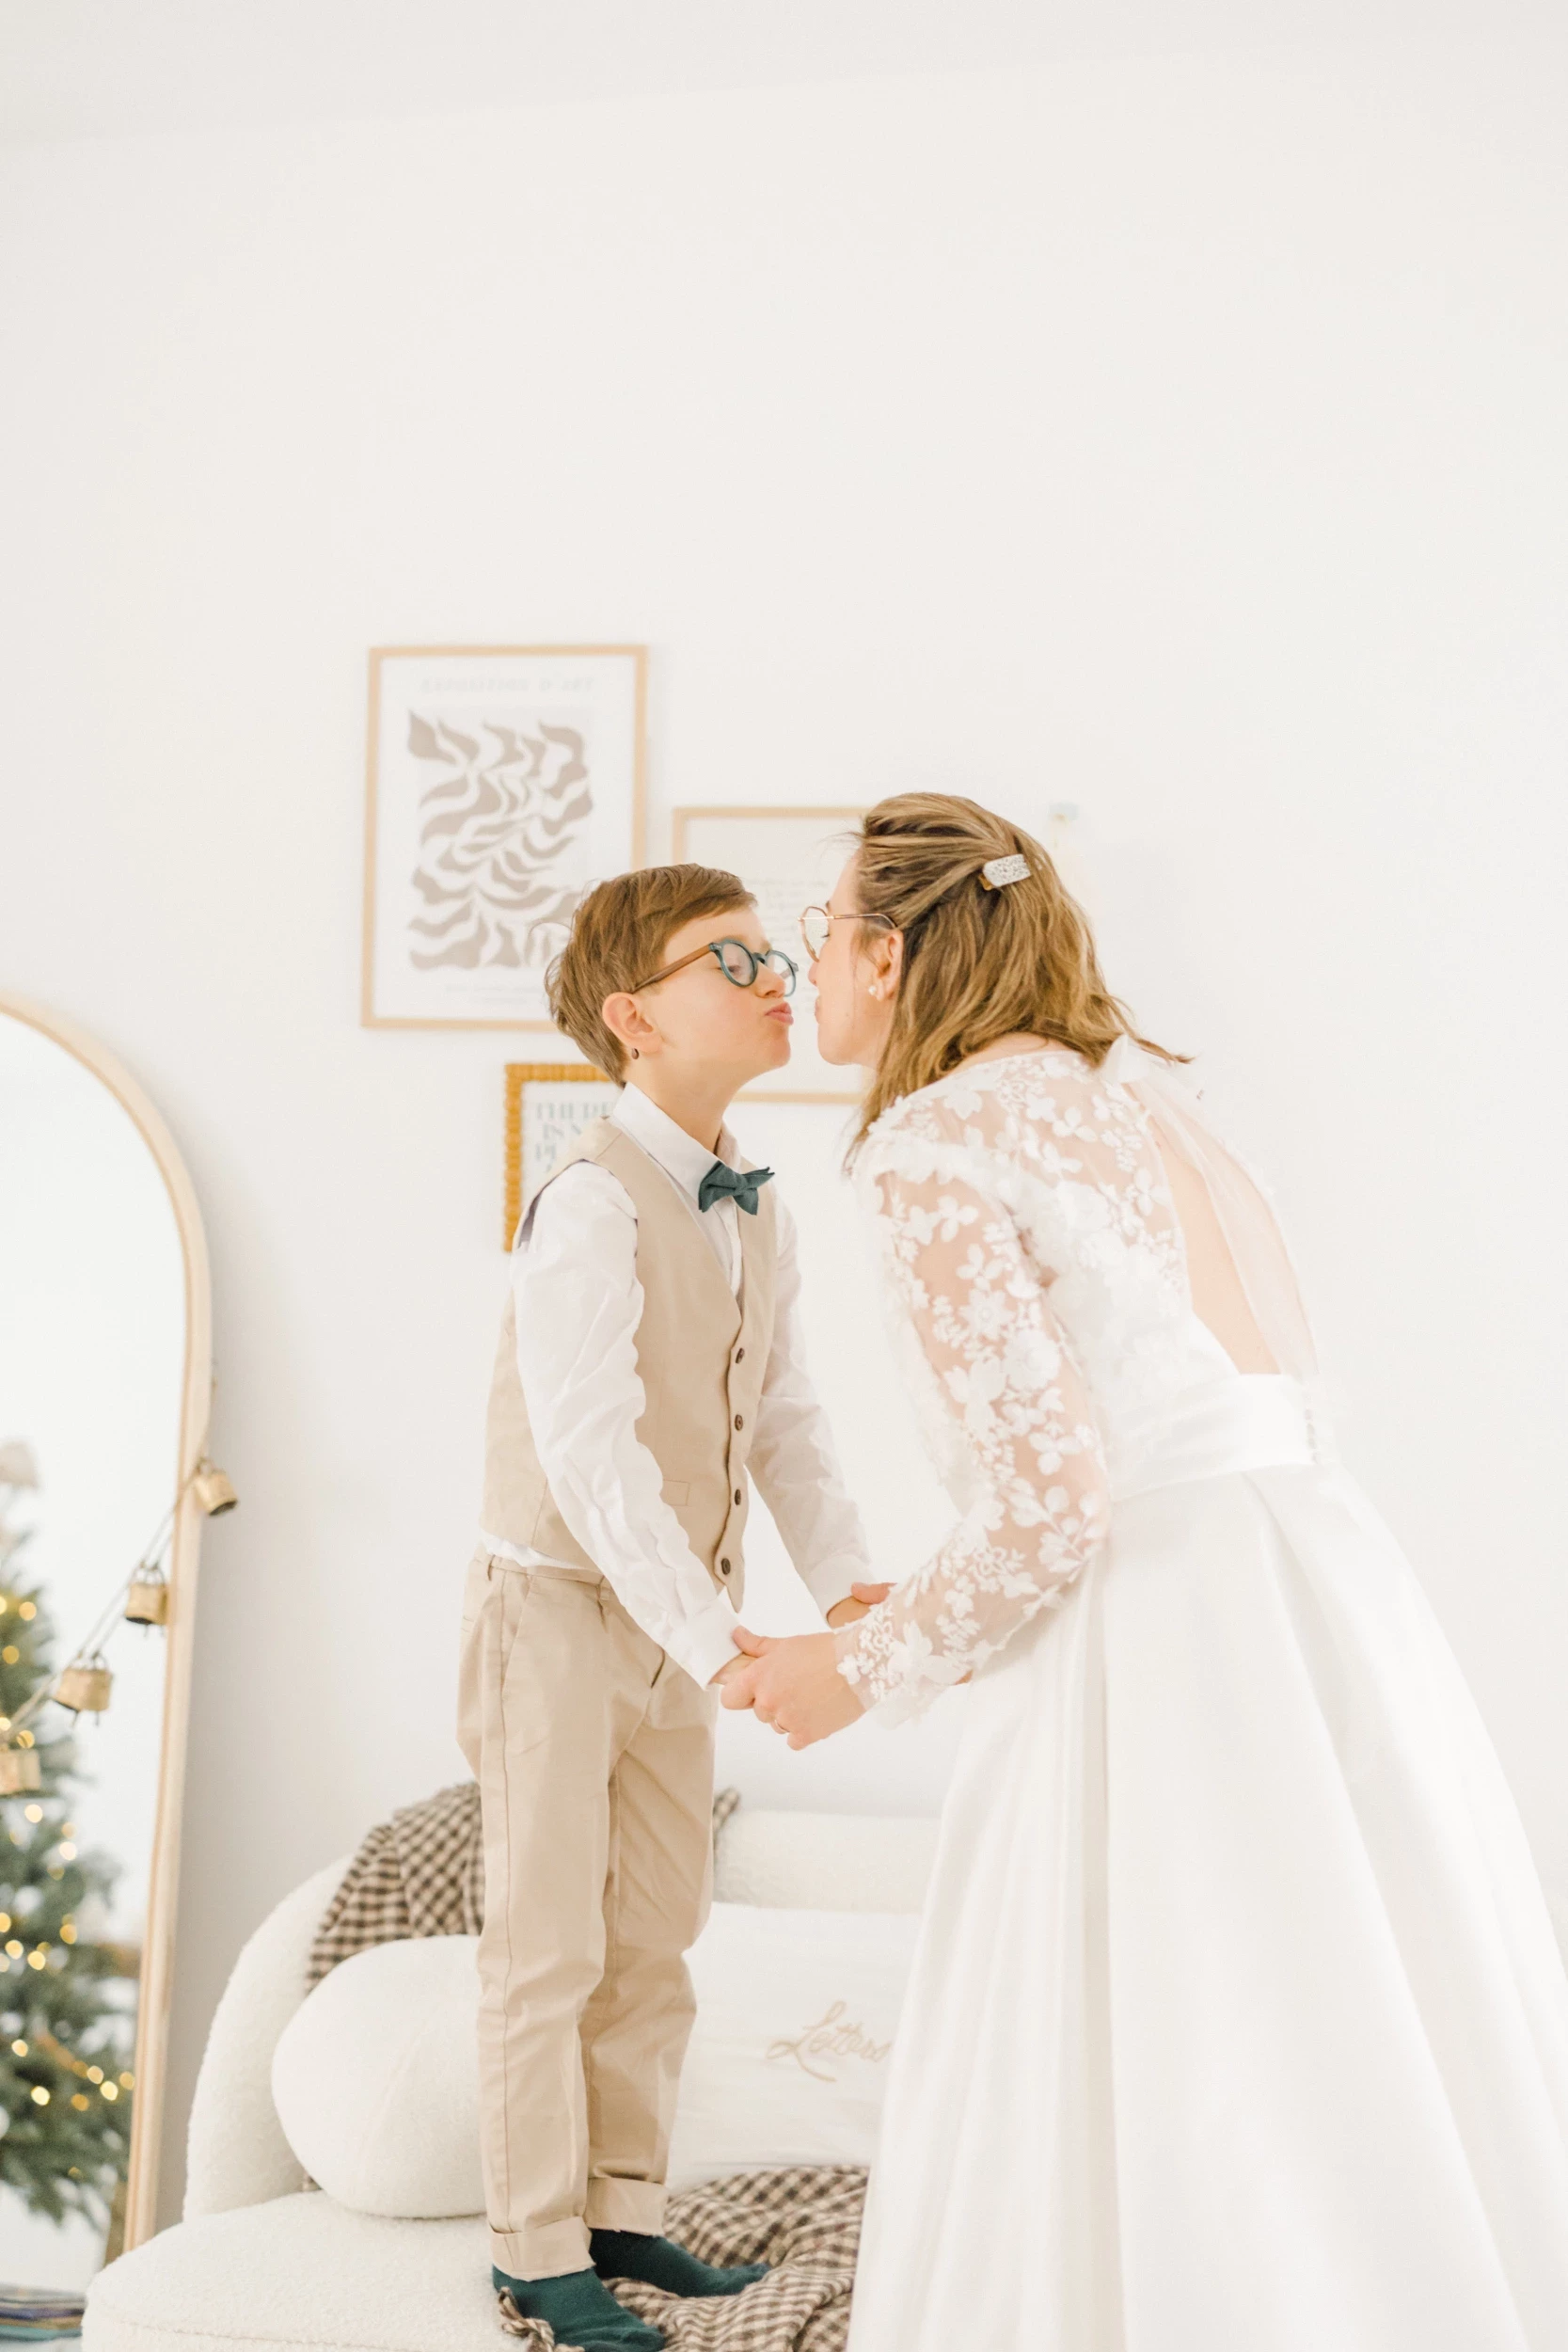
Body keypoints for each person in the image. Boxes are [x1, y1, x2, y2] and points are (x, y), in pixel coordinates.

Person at [722, 794, 1568, 2350]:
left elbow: (1054, 1504)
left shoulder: (930, 1138)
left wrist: (860, 1668)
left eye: (824, 933)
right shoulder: (1159, 1113)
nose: (811, 967)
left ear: (893, 955)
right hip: (1314, 1596)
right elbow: (1242, 1416)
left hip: (1154, 1649)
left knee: (1157, 2068)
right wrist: (927, 1614)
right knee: (1340, 2054)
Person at [458, 864, 882, 2352]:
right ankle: (531, 2246)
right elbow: (587, 1457)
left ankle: (626, 2206)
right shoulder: (587, 1201)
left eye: (777, 953)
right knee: (548, 1945)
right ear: (635, 1018)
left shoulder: (754, 1208)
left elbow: (784, 1421)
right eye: (730, 959)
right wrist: (720, 1649)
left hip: (681, 1622)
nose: (775, 975)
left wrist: (855, 1591)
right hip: (562, 1620)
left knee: (657, 1927)